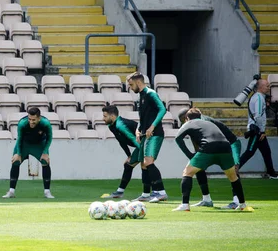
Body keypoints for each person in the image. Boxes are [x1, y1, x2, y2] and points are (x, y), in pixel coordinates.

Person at [173, 108, 249, 212]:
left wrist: (189, 155)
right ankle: (242, 204)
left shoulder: (189, 123)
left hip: (224, 145)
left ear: (186, 118)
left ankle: (185, 205)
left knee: (187, 172)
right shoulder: (208, 122)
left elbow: (178, 138)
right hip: (225, 147)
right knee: (233, 176)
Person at [127, 72, 168, 203]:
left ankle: (161, 192)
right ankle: (145, 194)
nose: (130, 87)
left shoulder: (151, 93)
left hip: (155, 134)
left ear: (138, 82)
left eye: (131, 84)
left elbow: (162, 109)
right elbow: (142, 117)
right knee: (143, 165)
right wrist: (139, 130)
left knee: (148, 161)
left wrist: (152, 126)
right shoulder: (142, 95)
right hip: (145, 134)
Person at [2, 107, 54, 199]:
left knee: (45, 162)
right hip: (24, 144)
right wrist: (18, 153)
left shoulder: (46, 123)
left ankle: (47, 192)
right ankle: (11, 192)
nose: (31, 122)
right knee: (15, 161)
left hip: (39, 145)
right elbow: (19, 138)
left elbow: (49, 138)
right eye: (29, 119)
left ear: (39, 118)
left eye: (33, 120)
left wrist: (45, 152)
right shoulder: (22, 123)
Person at [238, 79, 278, 179]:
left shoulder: (257, 96)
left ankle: (271, 172)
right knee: (249, 152)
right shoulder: (259, 98)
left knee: (266, 152)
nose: (269, 87)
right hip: (257, 131)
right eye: (267, 86)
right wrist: (262, 131)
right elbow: (258, 116)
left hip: (257, 130)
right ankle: (233, 169)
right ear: (260, 87)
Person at [102, 105, 140, 199]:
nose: (103, 119)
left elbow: (132, 138)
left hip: (145, 142)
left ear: (112, 116)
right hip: (141, 145)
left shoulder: (120, 125)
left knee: (146, 165)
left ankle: (156, 191)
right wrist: (129, 156)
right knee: (129, 165)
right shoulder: (112, 126)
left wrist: (143, 150)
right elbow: (121, 141)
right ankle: (153, 192)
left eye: (105, 116)